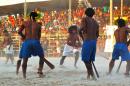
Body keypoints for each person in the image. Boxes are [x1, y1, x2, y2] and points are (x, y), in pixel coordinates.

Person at [17, 11, 54, 79]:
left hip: (27, 41)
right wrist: (36, 43)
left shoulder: (25, 22)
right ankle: (40, 70)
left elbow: (19, 32)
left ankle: (24, 76)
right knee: (41, 56)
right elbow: (39, 36)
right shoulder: (38, 24)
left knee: (25, 59)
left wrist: (24, 36)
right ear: (36, 18)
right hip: (35, 41)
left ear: (29, 16)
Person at [79, 8, 99, 80]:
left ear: (85, 13)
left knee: (86, 60)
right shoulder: (95, 22)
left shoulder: (85, 19)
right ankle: (88, 75)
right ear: (93, 14)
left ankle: (92, 75)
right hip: (94, 42)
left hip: (87, 41)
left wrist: (83, 38)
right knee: (89, 60)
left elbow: (80, 30)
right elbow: (97, 34)